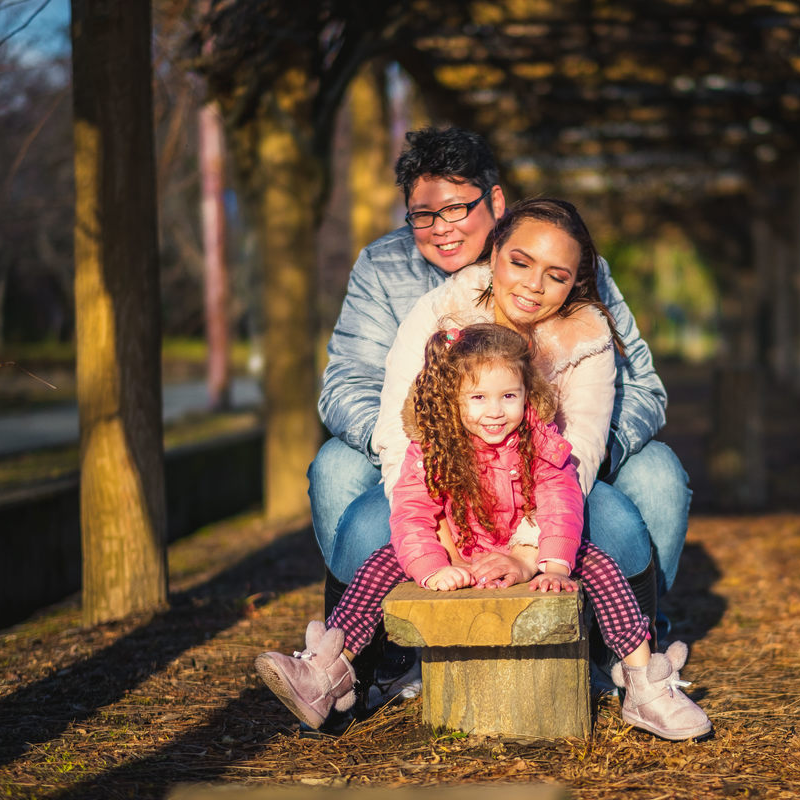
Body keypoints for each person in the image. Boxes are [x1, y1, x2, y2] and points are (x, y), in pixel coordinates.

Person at [310, 127, 689, 680]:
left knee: (655, 473)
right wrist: (441, 466)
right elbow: (347, 383)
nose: (442, 228)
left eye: (459, 208)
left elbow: (643, 391)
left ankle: (628, 646)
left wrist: (551, 463)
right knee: (336, 466)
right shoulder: (391, 273)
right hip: (422, 451)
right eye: (423, 214)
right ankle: (369, 663)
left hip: (552, 455)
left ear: (496, 204)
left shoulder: (568, 265)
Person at [257, 324, 711, 741]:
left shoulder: (540, 441)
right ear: (452, 400)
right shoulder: (433, 448)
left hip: (524, 547)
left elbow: (561, 499)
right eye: (478, 399)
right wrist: (433, 564)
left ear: (526, 393)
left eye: (509, 396)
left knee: (597, 560)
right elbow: (412, 512)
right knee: (380, 561)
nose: (495, 412)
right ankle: (327, 672)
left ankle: (643, 682)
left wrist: (551, 561)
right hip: (457, 549)